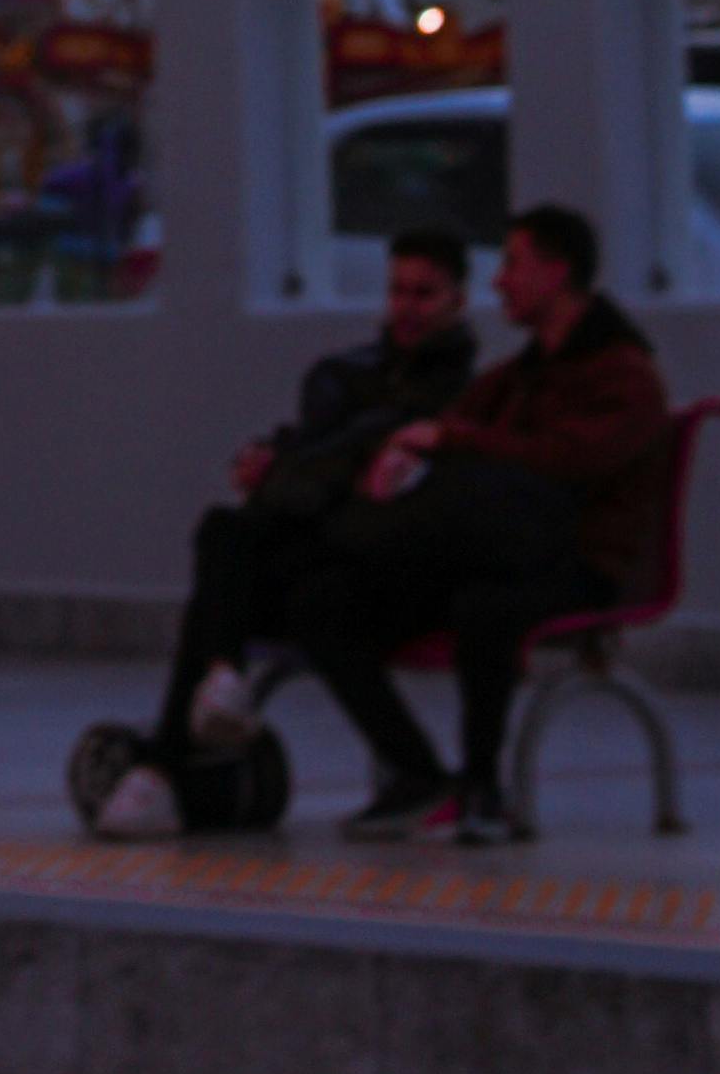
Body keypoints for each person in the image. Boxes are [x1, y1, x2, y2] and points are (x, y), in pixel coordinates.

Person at [284, 198, 672, 845]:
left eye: (514, 265)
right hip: (489, 551)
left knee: (482, 607)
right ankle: (418, 774)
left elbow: (567, 461)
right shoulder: (520, 375)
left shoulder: (624, 377)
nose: (498, 280)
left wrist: (450, 442)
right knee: (322, 601)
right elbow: (461, 426)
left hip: (575, 562)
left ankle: (484, 784)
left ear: (556, 273)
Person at [87, 235, 477, 833]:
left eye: (424, 293)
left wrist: (285, 471)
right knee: (230, 546)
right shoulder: (358, 375)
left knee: (232, 549)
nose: (407, 306)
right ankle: (207, 701)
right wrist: (280, 459)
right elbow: (330, 457)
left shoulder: (451, 394)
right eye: (399, 290)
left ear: (458, 300)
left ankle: (173, 752)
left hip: (369, 559)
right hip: (319, 546)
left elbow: (348, 472)